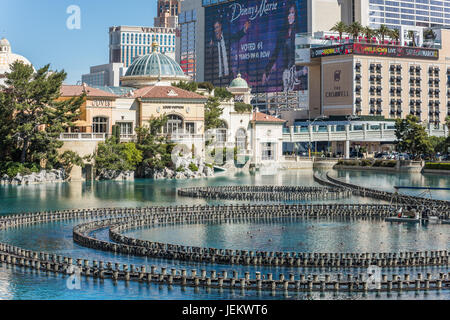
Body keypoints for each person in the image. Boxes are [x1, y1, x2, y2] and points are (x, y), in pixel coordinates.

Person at [262, 1, 306, 92]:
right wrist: (267, 70)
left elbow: (304, 50)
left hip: (298, 71)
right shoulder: (283, 32)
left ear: (296, 14)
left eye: (293, 13)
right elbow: (276, 52)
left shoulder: (299, 31)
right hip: (286, 72)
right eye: (289, 13)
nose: (290, 15)